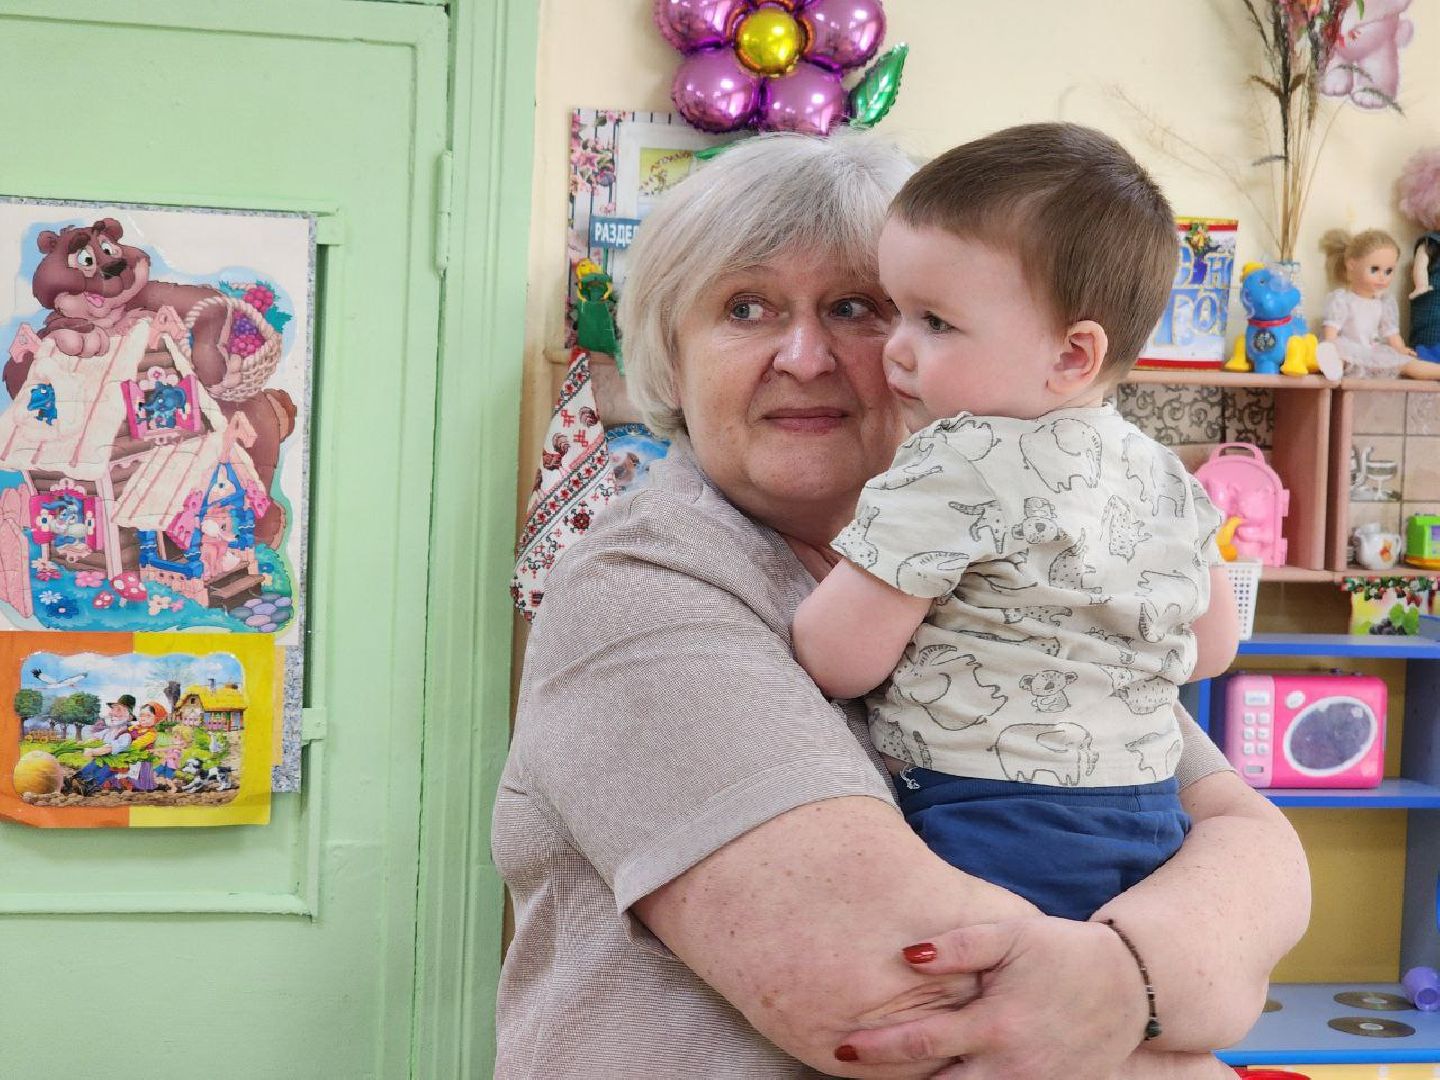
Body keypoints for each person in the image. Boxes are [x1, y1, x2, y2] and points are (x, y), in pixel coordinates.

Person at [493, 130, 1310, 1079]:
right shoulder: (641, 587)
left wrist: (1128, 977)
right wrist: (1172, 990)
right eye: (745, 307)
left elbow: (1258, 855)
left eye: (858, 308)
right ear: (671, 354)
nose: (803, 355)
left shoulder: (1018, 569)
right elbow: (896, 1003)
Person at [791, 124, 1241, 923]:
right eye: (895, 311)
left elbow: (837, 659)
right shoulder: (1166, 472)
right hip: (1148, 815)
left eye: (935, 322)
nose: (894, 349)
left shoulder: (954, 457)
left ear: (1073, 355)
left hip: (989, 819)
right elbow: (1214, 646)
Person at [1317, 227, 1415, 378]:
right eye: (1375, 269)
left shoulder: (1384, 303)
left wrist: (1400, 349)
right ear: (1352, 265)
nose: (1383, 277)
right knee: (1341, 359)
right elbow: (1331, 334)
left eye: (1389, 271)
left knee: (1407, 365)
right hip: (1349, 348)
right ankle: (1332, 365)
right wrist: (1330, 346)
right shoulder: (1343, 300)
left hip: (1373, 351)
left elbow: (1391, 333)